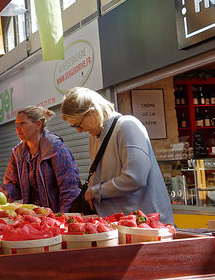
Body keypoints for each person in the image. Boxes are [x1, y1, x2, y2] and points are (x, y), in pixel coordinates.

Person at [60, 87, 174, 224]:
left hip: (147, 225)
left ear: (92, 112)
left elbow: (135, 177)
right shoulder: (95, 137)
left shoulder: (127, 126)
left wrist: (95, 191)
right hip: (119, 224)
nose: (79, 131)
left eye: (78, 124)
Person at [0, 106, 81, 213]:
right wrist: (6, 190)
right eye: (16, 123)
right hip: (33, 218)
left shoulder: (56, 149)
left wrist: (63, 218)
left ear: (38, 125)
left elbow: (69, 189)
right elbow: (15, 184)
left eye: (22, 123)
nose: (17, 128)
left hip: (56, 216)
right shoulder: (18, 153)